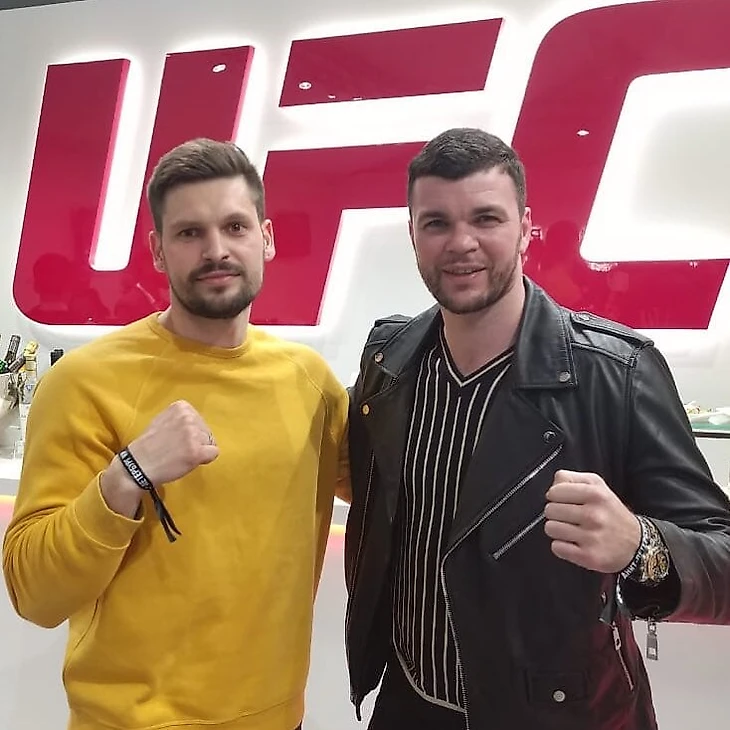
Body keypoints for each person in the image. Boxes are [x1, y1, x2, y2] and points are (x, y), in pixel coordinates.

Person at [342, 127, 730, 730]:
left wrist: (641, 544)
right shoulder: (390, 363)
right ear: (412, 234)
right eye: (437, 222)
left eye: (486, 218)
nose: (461, 243)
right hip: (409, 702)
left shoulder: (615, 373)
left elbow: (723, 558)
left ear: (525, 228)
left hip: (560, 714)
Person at [2, 138, 349, 730]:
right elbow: (35, 593)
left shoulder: (310, 382)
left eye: (235, 226)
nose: (216, 250)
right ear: (158, 251)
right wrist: (125, 479)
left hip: (277, 718)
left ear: (265, 238)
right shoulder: (84, 383)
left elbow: (399, 495)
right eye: (190, 233)